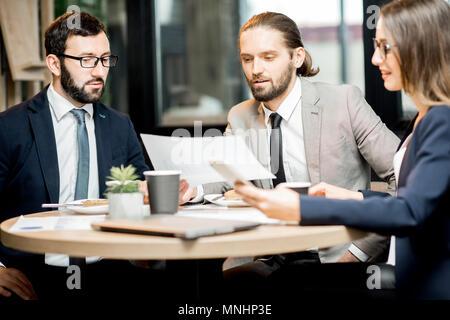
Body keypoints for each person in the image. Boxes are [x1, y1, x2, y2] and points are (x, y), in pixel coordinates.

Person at [235, 0, 450, 300]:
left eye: (385, 47)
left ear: (420, 48)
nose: (375, 59)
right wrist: (356, 196)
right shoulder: (426, 116)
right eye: (376, 46)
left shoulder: (441, 120)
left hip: (422, 285)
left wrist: (303, 206)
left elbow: (410, 211)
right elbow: (414, 199)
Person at [181, 12, 399, 275]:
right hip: (270, 256)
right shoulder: (240, 116)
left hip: (336, 257)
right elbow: (226, 177)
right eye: (247, 59)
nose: (255, 69)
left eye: (268, 57)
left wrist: (358, 253)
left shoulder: (344, 102)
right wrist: (192, 189)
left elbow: (404, 178)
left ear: (297, 57)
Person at [0, 11, 152, 300]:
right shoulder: (9, 128)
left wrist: (152, 194)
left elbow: (140, 192)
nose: (99, 71)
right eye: (87, 60)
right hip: (32, 276)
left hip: (108, 271)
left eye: (105, 59)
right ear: (54, 64)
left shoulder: (120, 125)